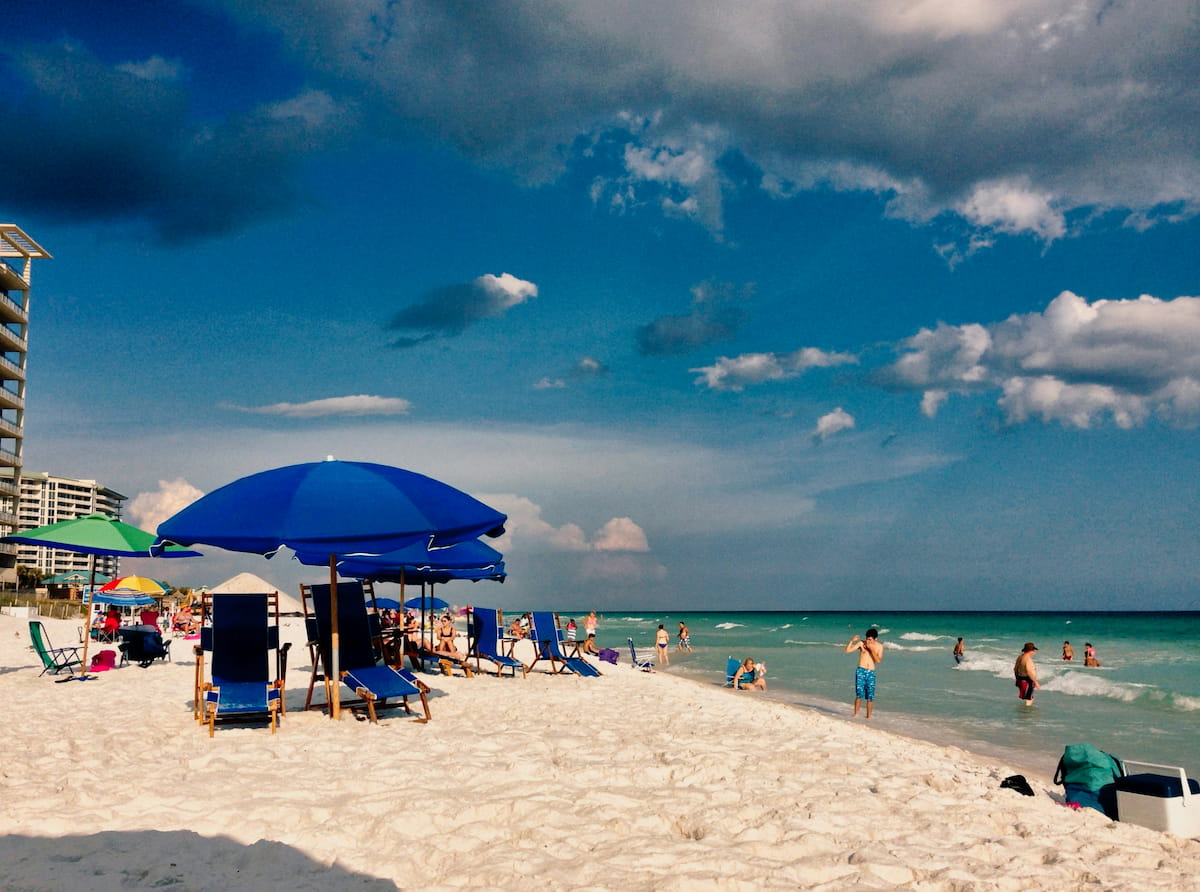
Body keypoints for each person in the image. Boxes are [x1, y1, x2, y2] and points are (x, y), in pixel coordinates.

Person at [845, 628, 883, 717]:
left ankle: (868, 717)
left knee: (870, 696)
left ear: (875, 639)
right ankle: (856, 714)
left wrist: (871, 649)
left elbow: (878, 660)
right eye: (867, 638)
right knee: (859, 694)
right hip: (861, 670)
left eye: (870, 639)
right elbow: (847, 651)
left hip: (871, 672)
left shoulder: (879, 646)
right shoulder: (861, 643)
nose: (868, 641)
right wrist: (851, 641)